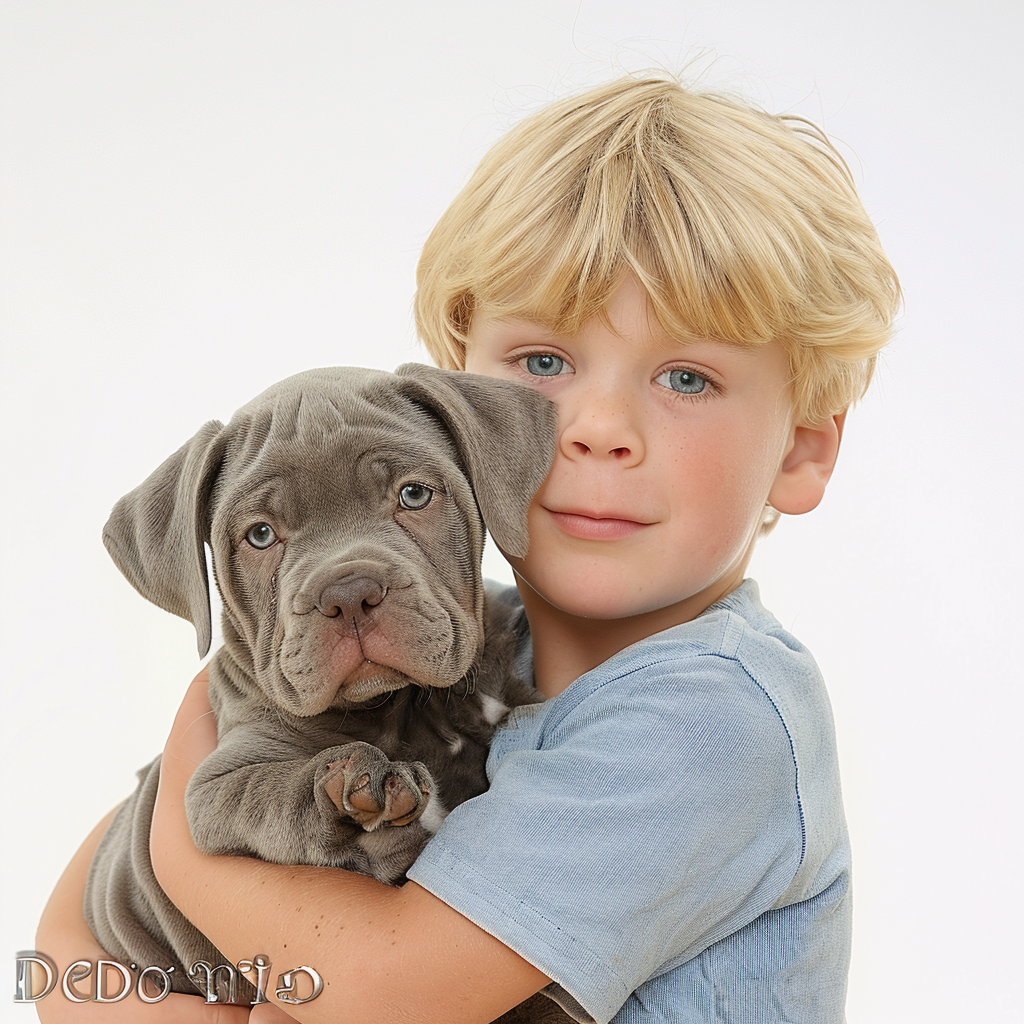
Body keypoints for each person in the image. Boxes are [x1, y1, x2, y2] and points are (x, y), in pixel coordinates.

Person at [35, 73, 900, 1023]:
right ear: (464, 419)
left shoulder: (710, 718)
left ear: (804, 448)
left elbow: (377, 996)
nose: (598, 426)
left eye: (687, 377)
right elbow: (66, 945)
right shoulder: (469, 655)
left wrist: (177, 841)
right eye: (543, 363)